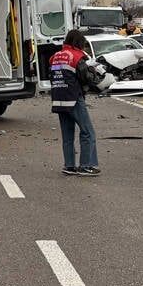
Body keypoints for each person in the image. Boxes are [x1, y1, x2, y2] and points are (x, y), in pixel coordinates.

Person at [50, 29, 103, 176]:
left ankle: (69, 166)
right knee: (87, 132)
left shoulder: (56, 56)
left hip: (58, 99)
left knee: (67, 135)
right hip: (73, 98)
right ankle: (86, 165)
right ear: (79, 42)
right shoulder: (77, 56)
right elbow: (86, 78)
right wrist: (94, 72)